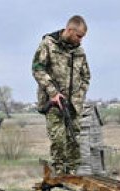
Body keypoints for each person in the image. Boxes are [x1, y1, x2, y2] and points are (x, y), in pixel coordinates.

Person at [32, 15, 91, 174]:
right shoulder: (48, 45)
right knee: (58, 140)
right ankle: (59, 173)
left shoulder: (79, 51)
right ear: (70, 30)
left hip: (73, 106)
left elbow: (86, 77)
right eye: (79, 36)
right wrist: (53, 93)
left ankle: (72, 175)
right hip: (53, 104)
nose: (80, 40)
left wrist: (79, 97)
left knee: (74, 141)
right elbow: (37, 68)